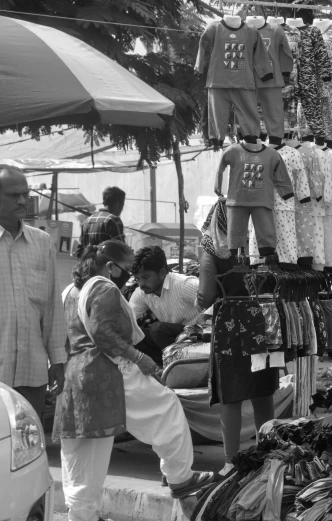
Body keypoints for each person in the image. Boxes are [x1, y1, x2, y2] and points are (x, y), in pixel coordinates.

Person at [54, 240, 213, 521]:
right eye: (128, 270)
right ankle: (180, 477)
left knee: (84, 449)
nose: (131, 277)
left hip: (76, 375)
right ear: (111, 267)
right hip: (108, 373)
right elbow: (102, 332)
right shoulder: (103, 287)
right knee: (167, 408)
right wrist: (140, 359)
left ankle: (81, 515)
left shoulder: (70, 291)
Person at [197, 199, 277, 475]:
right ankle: (268, 455)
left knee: (231, 394)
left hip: (230, 323)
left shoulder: (212, 245)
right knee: (263, 390)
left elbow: (205, 294)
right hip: (267, 321)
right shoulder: (265, 240)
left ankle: (231, 462)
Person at [0, 165, 66, 418]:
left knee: (27, 446)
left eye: (25, 194)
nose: (22, 201)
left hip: (32, 372)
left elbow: (52, 308)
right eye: (13, 195)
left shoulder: (42, 242)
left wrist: (57, 359)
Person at [129, 246, 202, 365]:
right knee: (134, 333)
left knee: (157, 329)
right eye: (137, 279)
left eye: (146, 277)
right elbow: (127, 318)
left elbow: (216, 303)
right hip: (174, 342)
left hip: (197, 338)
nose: (141, 284)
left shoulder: (184, 285)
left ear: (162, 272)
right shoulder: (141, 293)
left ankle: (179, 365)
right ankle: (164, 364)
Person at [77, 186, 126, 256]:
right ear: (118, 204)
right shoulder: (113, 220)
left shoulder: (87, 221)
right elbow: (122, 251)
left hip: (89, 265)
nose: (122, 209)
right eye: (122, 205)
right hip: (107, 265)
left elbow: (80, 251)